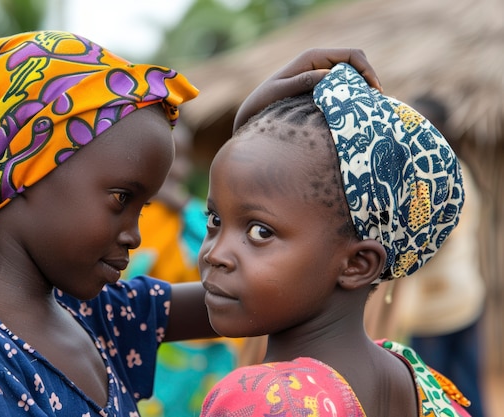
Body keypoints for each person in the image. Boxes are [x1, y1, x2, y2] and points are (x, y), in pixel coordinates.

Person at [0, 30, 381, 416]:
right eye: (122, 199)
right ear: (22, 175)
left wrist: (251, 130)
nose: (135, 234)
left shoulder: (87, 314)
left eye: (142, 208)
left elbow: (260, 288)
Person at [198, 63, 472, 416]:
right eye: (215, 220)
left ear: (357, 265)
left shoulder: (265, 399)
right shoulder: (423, 385)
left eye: (260, 232)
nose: (215, 254)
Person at [122, 124, 238, 417]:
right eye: (167, 159)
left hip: (203, 356)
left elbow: (224, 251)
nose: (176, 170)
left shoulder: (199, 214)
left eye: (182, 158)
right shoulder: (131, 219)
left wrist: (184, 207)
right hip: (150, 354)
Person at [400, 95, 486, 417]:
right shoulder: (457, 170)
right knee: (466, 386)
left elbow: (436, 243)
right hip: (462, 296)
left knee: (435, 393)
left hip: (437, 307)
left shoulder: (432, 179)